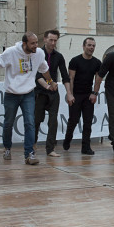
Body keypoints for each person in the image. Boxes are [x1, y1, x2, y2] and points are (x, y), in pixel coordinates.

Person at [0, 32, 57, 165]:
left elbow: (44, 69)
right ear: (24, 44)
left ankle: (29, 154)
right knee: (8, 123)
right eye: (32, 43)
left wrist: (51, 81)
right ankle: (7, 148)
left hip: (28, 93)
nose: (36, 46)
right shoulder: (11, 52)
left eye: (36, 42)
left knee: (30, 122)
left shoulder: (39, 53)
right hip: (11, 93)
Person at [34, 29, 73, 157]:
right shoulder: (37, 54)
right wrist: (47, 85)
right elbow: (36, 75)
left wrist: (69, 93)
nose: (53, 43)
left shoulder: (59, 56)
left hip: (53, 92)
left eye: (55, 40)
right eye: (50, 40)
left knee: (53, 121)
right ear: (44, 39)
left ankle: (50, 149)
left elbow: (65, 76)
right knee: (36, 120)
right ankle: (32, 145)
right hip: (39, 91)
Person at [63, 37, 101, 155]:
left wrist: (94, 93)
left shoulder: (97, 62)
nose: (91, 48)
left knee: (88, 122)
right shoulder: (75, 61)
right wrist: (70, 94)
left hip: (88, 95)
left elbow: (98, 80)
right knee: (73, 120)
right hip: (76, 95)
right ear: (83, 46)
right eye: (89, 45)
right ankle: (67, 139)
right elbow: (71, 78)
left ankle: (86, 147)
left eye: (93, 46)